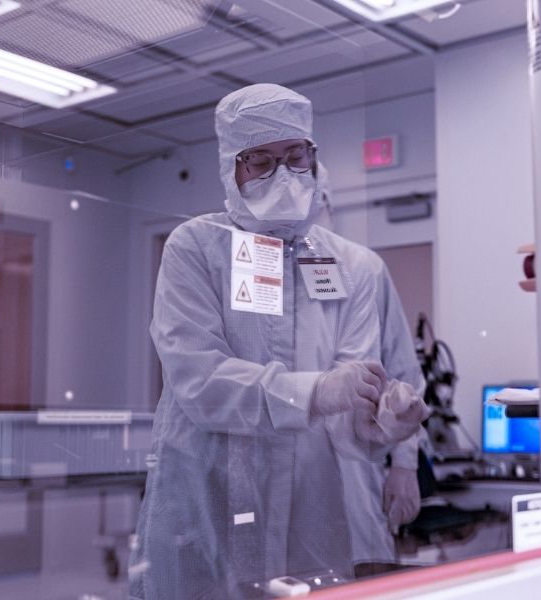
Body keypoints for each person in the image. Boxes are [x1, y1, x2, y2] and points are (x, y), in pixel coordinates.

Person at [129, 83, 428, 600]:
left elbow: (352, 395)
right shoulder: (197, 247)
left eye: (296, 157)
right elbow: (198, 381)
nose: (284, 175)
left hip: (312, 508)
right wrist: (318, 392)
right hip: (208, 495)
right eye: (260, 162)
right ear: (231, 168)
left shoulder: (347, 266)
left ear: (314, 160)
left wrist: (384, 426)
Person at [315, 163, 429, 576]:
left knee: (357, 569)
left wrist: (404, 464)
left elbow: (404, 376)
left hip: (353, 478)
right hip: (278, 484)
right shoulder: (257, 278)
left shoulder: (362, 270)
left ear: (323, 200)